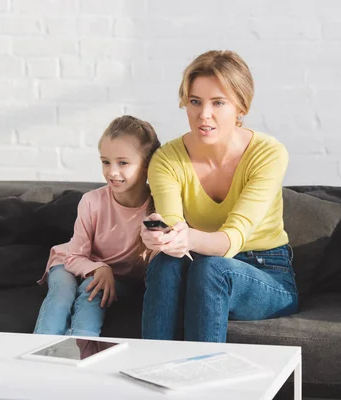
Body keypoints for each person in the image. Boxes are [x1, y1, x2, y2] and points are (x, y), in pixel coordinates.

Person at [140, 50, 298, 343]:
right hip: (200, 268)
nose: (204, 115)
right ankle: (151, 373)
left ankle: (203, 378)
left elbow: (233, 238)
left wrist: (184, 237)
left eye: (218, 103)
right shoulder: (167, 160)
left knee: (212, 268)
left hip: (266, 271)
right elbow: (175, 230)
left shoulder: (268, 154)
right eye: (195, 101)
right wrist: (162, 237)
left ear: (241, 106)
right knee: (165, 262)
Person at [34, 115, 160, 336]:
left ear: (147, 164)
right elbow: (74, 257)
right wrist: (100, 268)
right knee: (62, 294)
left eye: (123, 163)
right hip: (71, 261)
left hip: (115, 277)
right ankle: (38, 359)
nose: (112, 172)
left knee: (92, 291)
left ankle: (81, 353)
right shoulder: (92, 201)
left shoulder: (159, 207)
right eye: (105, 162)